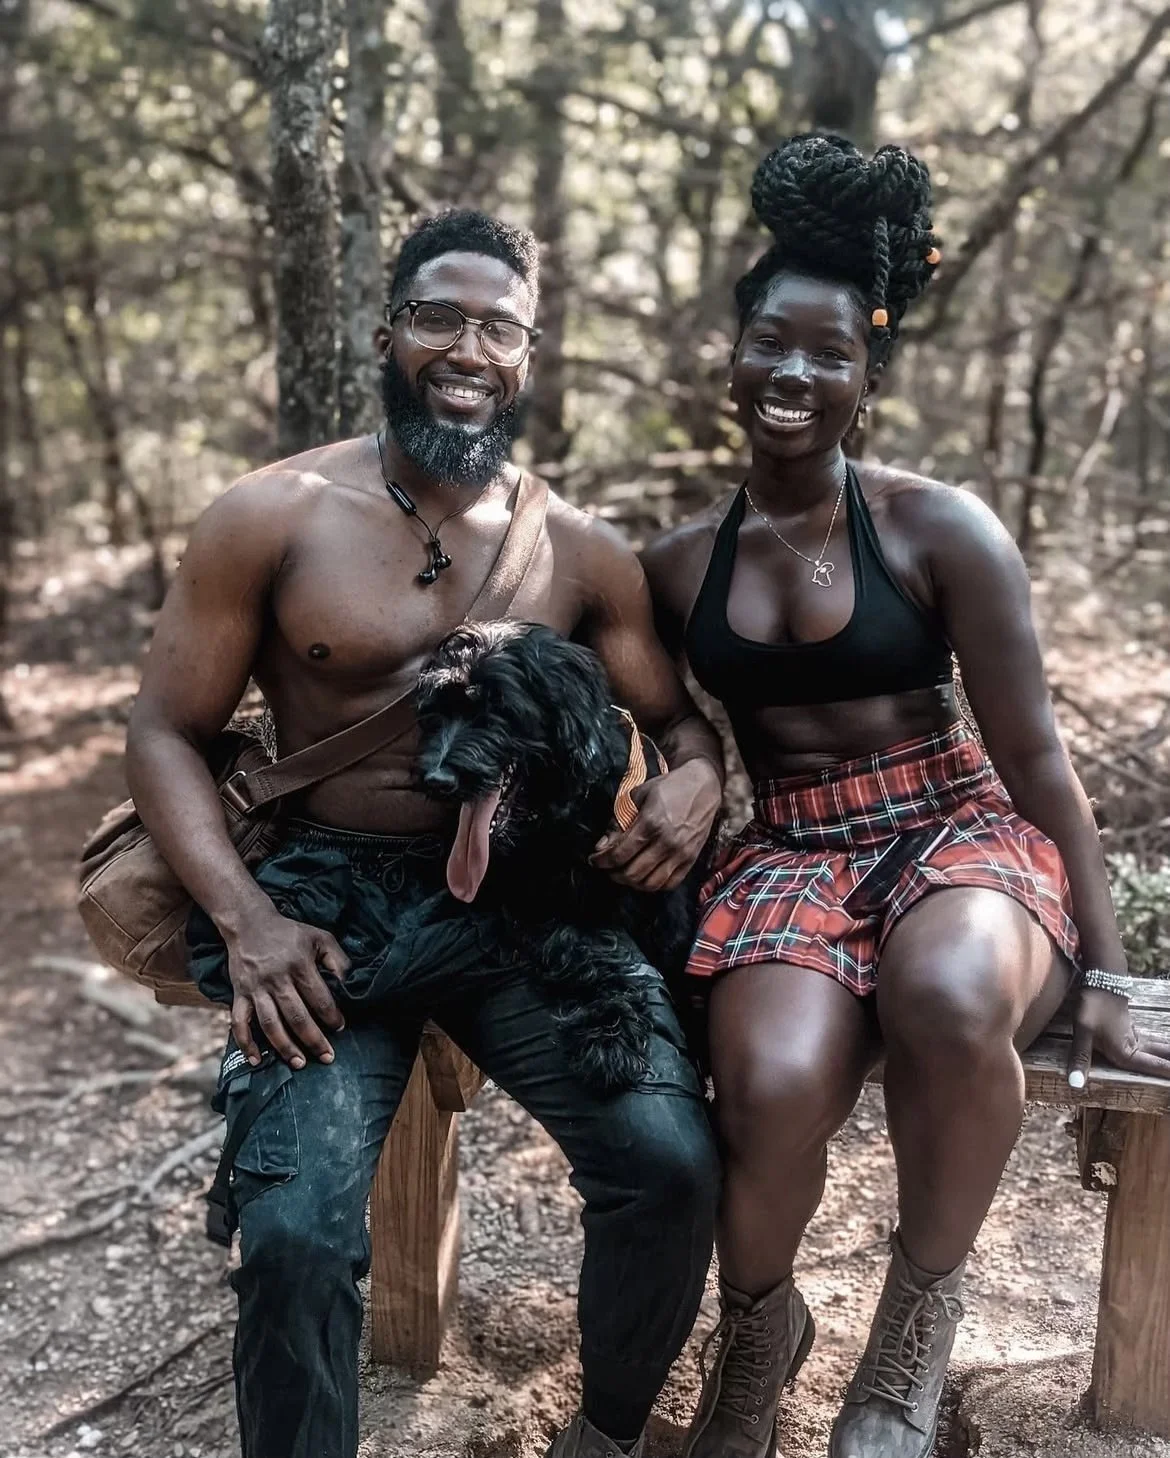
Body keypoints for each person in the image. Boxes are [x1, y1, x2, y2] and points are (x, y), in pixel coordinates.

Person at [125, 209, 726, 1458]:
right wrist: (247, 921)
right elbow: (165, 733)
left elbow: (677, 722)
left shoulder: (580, 552)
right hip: (320, 910)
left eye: (499, 327)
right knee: (293, 1240)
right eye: (437, 317)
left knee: (668, 1165)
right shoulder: (272, 515)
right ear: (387, 332)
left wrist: (697, 781)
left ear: (528, 353)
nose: (468, 348)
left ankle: (607, 1436)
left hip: (524, 906)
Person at [641, 134, 1170, 1458]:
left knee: (943, 995)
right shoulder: (673, 565)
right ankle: (756, 1340)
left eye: (828, 354)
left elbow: (1037, 760)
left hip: (956, 832)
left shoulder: (939, 526)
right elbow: (656, 725)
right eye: (770, 342)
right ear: (732, 356)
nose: (793, 374)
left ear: (865, 379)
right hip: (791, 852)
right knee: (763, 1080)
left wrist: (1109, 974)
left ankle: (906, 1343)